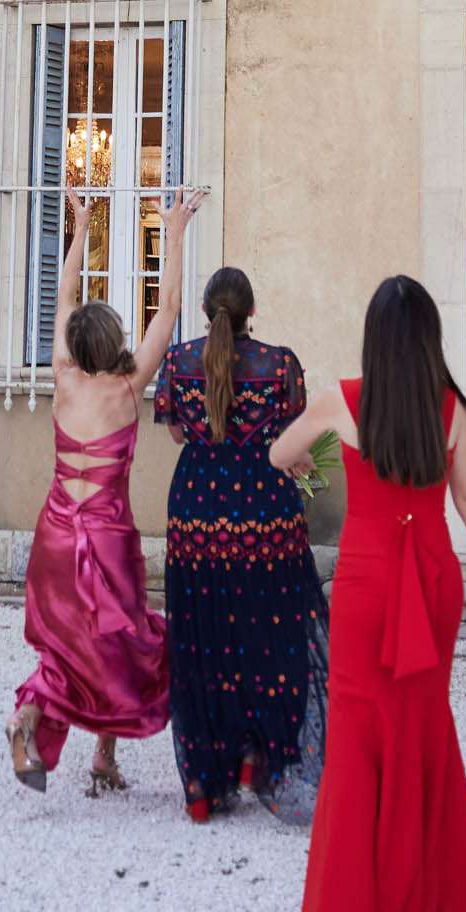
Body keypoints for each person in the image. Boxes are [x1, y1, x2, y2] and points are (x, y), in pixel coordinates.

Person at [271, 276, 466, 912]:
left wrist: (308, 466)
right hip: (431, 576)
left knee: (358, 737)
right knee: (424, 726)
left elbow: (278, 453)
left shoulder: (342, 401)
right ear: (429, 339)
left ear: (374, 339)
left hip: (367, 581)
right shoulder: (451, 409)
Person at [6, 182, 203, 796]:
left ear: (72, 347)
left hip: (57, 537)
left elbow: (64, 295)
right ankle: (102, 759)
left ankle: (33, 716)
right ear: (115, 342)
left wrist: (80, 223)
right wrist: (172, 232)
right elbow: (168, 310)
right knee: (120, 646)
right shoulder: (127, 388)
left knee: (69, 648)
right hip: (109, 538)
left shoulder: (64, 380)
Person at [154, 267, 328, 824]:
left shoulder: (178, 361)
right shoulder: (280, 364)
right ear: (252, 311)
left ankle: (207, 783)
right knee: (269, 634)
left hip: (198, 510)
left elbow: (177, 431)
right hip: (264, 510)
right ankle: (262, 757)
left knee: (203, 639)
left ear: (207, 311)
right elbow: (292, 434)